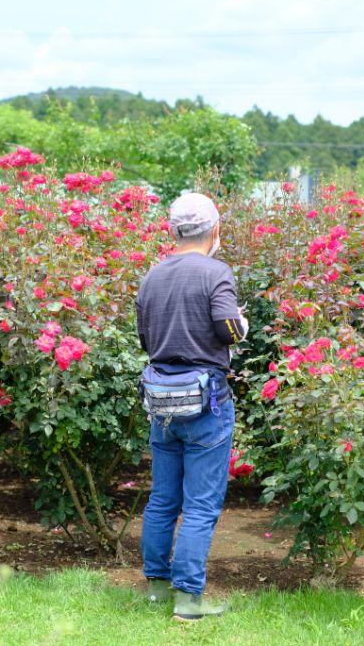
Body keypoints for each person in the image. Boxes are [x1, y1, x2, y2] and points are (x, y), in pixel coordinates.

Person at [135, 192, 248, 621]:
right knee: (200, 504)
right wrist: (241, 323)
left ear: (172, 230)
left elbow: (146, 340)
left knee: (163, 499)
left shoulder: (153, 275)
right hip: (206, 403)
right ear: (214, 229)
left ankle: (157, 590)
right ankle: (188, 601)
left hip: (161, 400)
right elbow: (227, 329)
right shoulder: (216, 272)